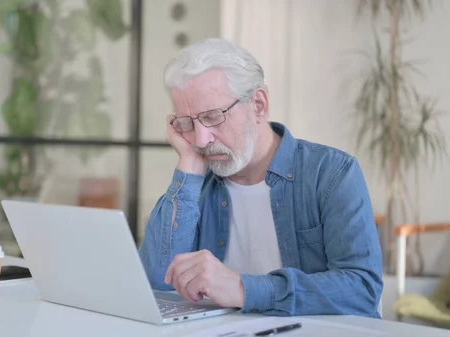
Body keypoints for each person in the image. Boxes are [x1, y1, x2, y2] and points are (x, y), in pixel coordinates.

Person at [138, 38, 383, 318]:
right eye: (187, 123)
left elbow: (362, 290)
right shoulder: (197, 184)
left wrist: (244, 288)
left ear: (258, 104)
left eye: (213, 117)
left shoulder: (332, 173)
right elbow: (157, 280)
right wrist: (189, 164)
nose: (202, 139)